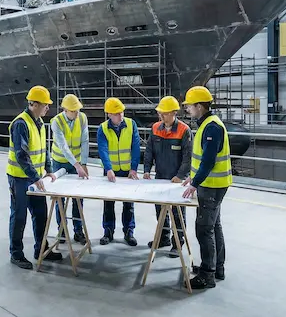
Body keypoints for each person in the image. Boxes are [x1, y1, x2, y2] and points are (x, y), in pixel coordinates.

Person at [180, 85, 232, 289]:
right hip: (212, 184)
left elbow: (209, 161)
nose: (188, 110)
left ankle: (207, 275)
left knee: (204, 230)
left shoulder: (211, 127)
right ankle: (216, 267)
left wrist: (194, 183)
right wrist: (192, 177)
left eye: (190, 106)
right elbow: (202, 160)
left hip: (211, 186)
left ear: (200, 106)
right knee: (214, 226)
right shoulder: (208, 124)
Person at [6, 85, 64, 269]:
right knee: (19, 216)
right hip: (19, 179)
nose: (48, 107)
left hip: (35, 178)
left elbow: (43, 149)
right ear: (34, 104)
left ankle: (41, 250)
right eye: (45, 104)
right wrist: (35, 177)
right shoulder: (21, 124)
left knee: (40, 216)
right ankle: (16, 254)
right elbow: (21, 155)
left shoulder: (39, 122)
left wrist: (47, 169)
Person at [143, 95, 191, 254]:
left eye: (164, 113)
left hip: (177, 180)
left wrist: (180, 176)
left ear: (173, 113)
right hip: (160, 177)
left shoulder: (184, 130)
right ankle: (163, 237)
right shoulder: (156, 128)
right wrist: (146, 170)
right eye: (160, 113)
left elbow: (188, 157)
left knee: (178, 212)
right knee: (160, 210)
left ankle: (178, 243)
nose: (161, 116)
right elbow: (149, 150)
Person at [97, 97, 141, 246]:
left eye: (121, 112)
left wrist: (134, 168)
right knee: (108, 202)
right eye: (116, 113)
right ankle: (108, 231)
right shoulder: (103, 128)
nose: (120, 115)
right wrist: (108, 169)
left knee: (128, 203)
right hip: (111, 172)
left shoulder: (131, 124)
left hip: (127, 171)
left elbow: (136, 147)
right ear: (109, 114)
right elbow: (103, 150)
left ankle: (129, 232)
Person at [50, 94, 90, 244]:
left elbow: (85, 141)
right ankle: (62, 231)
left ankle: (78, 231)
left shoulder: (82, 118)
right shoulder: (57, 122)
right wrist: (77, 165)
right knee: (60, 198)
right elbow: (63, 147)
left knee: (78, 198)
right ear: (65, 109)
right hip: (60, 162)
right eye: (73, 111)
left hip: (77, 163)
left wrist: (84, 163)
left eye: (77, 110)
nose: (76, 113)